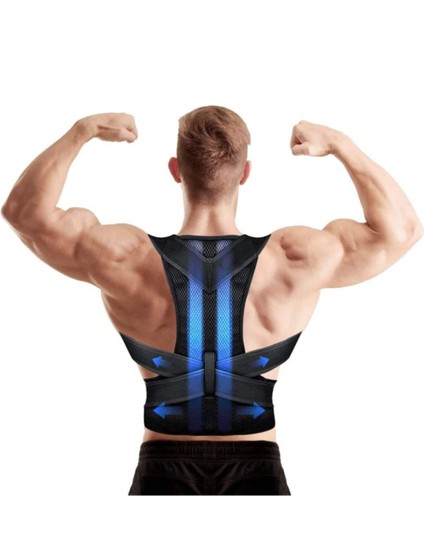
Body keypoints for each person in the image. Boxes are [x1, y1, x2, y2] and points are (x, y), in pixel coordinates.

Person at [2, 107, 423, 495]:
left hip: (163, 467)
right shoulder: (293, 259)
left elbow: (23, 213)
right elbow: (401, 230)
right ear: (245, 173)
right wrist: (339, 145)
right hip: (256, 468)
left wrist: (83, 131)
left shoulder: (125, 257)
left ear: (175, 170)